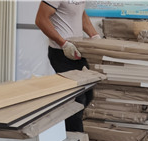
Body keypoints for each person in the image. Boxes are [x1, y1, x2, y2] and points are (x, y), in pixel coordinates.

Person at [35, 1, 101, 132]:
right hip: (61, 52)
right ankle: (75, 138)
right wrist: (63, 44)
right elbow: (41, 20)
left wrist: (94, 36)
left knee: (88, 94)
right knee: (76, 99)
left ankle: (66, 131)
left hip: (77, 50)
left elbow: (80, 13)